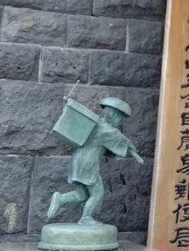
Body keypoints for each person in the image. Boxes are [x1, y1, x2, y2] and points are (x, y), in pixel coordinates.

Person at [47, 96, 143, 226]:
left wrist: (130, 149)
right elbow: (124, 141)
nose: (120, 122)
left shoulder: (96, 123)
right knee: (97, 192)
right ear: (113, 114)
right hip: (88, 162)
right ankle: (86, 218)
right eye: (120, 117)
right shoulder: (108, 130)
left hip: (77, 159)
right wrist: (133, 150)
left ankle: (61, 199)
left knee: (82, 195)